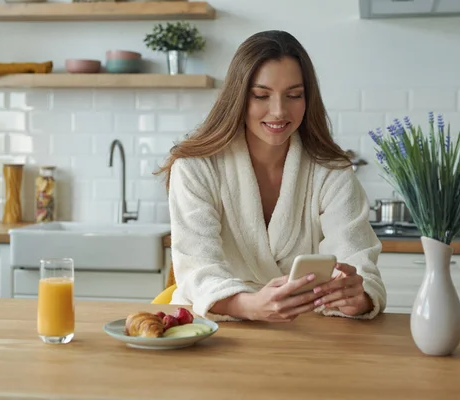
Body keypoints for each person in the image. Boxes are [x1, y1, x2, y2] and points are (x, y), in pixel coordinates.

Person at [155, 30, 386, 323]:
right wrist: (249, 305)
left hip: (310, 333)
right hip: (214, 329)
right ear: (238, 97)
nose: (278, 111)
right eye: (261, 95)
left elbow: (357, 259)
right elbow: (197, 269)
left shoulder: (331, 171)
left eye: (294, 95)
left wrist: (357, 296)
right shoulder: (195, 166)